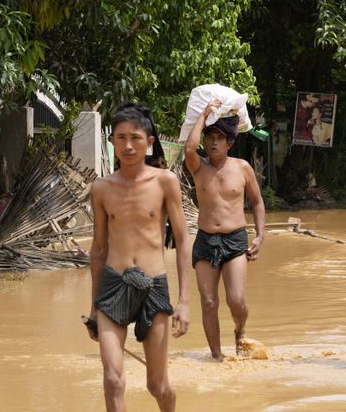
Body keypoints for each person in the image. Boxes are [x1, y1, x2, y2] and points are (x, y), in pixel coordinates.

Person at [87, 104, 191, 412]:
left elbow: (183, 241)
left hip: (153, 287)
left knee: (157, 386)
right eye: (120, 138)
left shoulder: (165, 181)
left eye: (135, 137)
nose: (128, 145)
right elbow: (99, 249)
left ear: (149, 141)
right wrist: (93, 306)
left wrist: (184, 301)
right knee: (113, 379)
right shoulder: (101, 188)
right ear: (112, 141)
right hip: (113, 285)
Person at [184, 99, 266, 360]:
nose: (213, 142)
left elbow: (257, 202)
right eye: (210, 137)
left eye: (220, 138)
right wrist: (205, 114)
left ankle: (240, 331)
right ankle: (217, 357)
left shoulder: (242, 168)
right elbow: (188, 148)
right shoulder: (198, 167)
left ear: (230, 143)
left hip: (234, 240)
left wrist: (260, 235)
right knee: (208, 302)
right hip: (206, 240)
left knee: (236, 299)